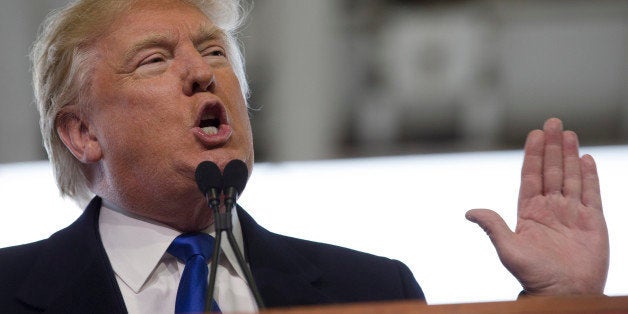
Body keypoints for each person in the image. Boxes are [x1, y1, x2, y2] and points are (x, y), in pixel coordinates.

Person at [0, 0, 608, 313]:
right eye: (155, 60)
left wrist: (565, 304)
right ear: (82, 134)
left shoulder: (369, 290)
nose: (201, 75)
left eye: (215, 53)